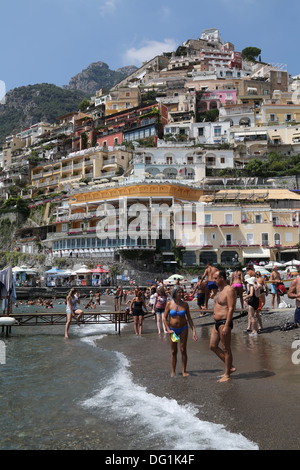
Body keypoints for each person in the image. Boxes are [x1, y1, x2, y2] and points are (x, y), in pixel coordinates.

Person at [163, 286, 198, 377]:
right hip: (173, 330)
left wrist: (194, 330)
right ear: (174, 293)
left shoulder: (185, 304)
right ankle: (173, 371)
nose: (181, 294)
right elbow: (164, 318)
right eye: (179, 292)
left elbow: (189, 319)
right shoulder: (169, 304)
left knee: (183, 350)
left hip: (184, 328)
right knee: (174, 351)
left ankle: (184, 371)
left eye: (182, 292)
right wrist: (168, 329)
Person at [209, 270, 237, 383]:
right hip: (216, 322)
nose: (214, 280)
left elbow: (231, 308)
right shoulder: (218, 290)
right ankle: (230, 366)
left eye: (216, 278)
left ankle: (227, 374)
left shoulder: (229, 290)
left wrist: (226, 325)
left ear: (222, 278)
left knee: (226, 348)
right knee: (212, 346)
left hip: (224, 322)